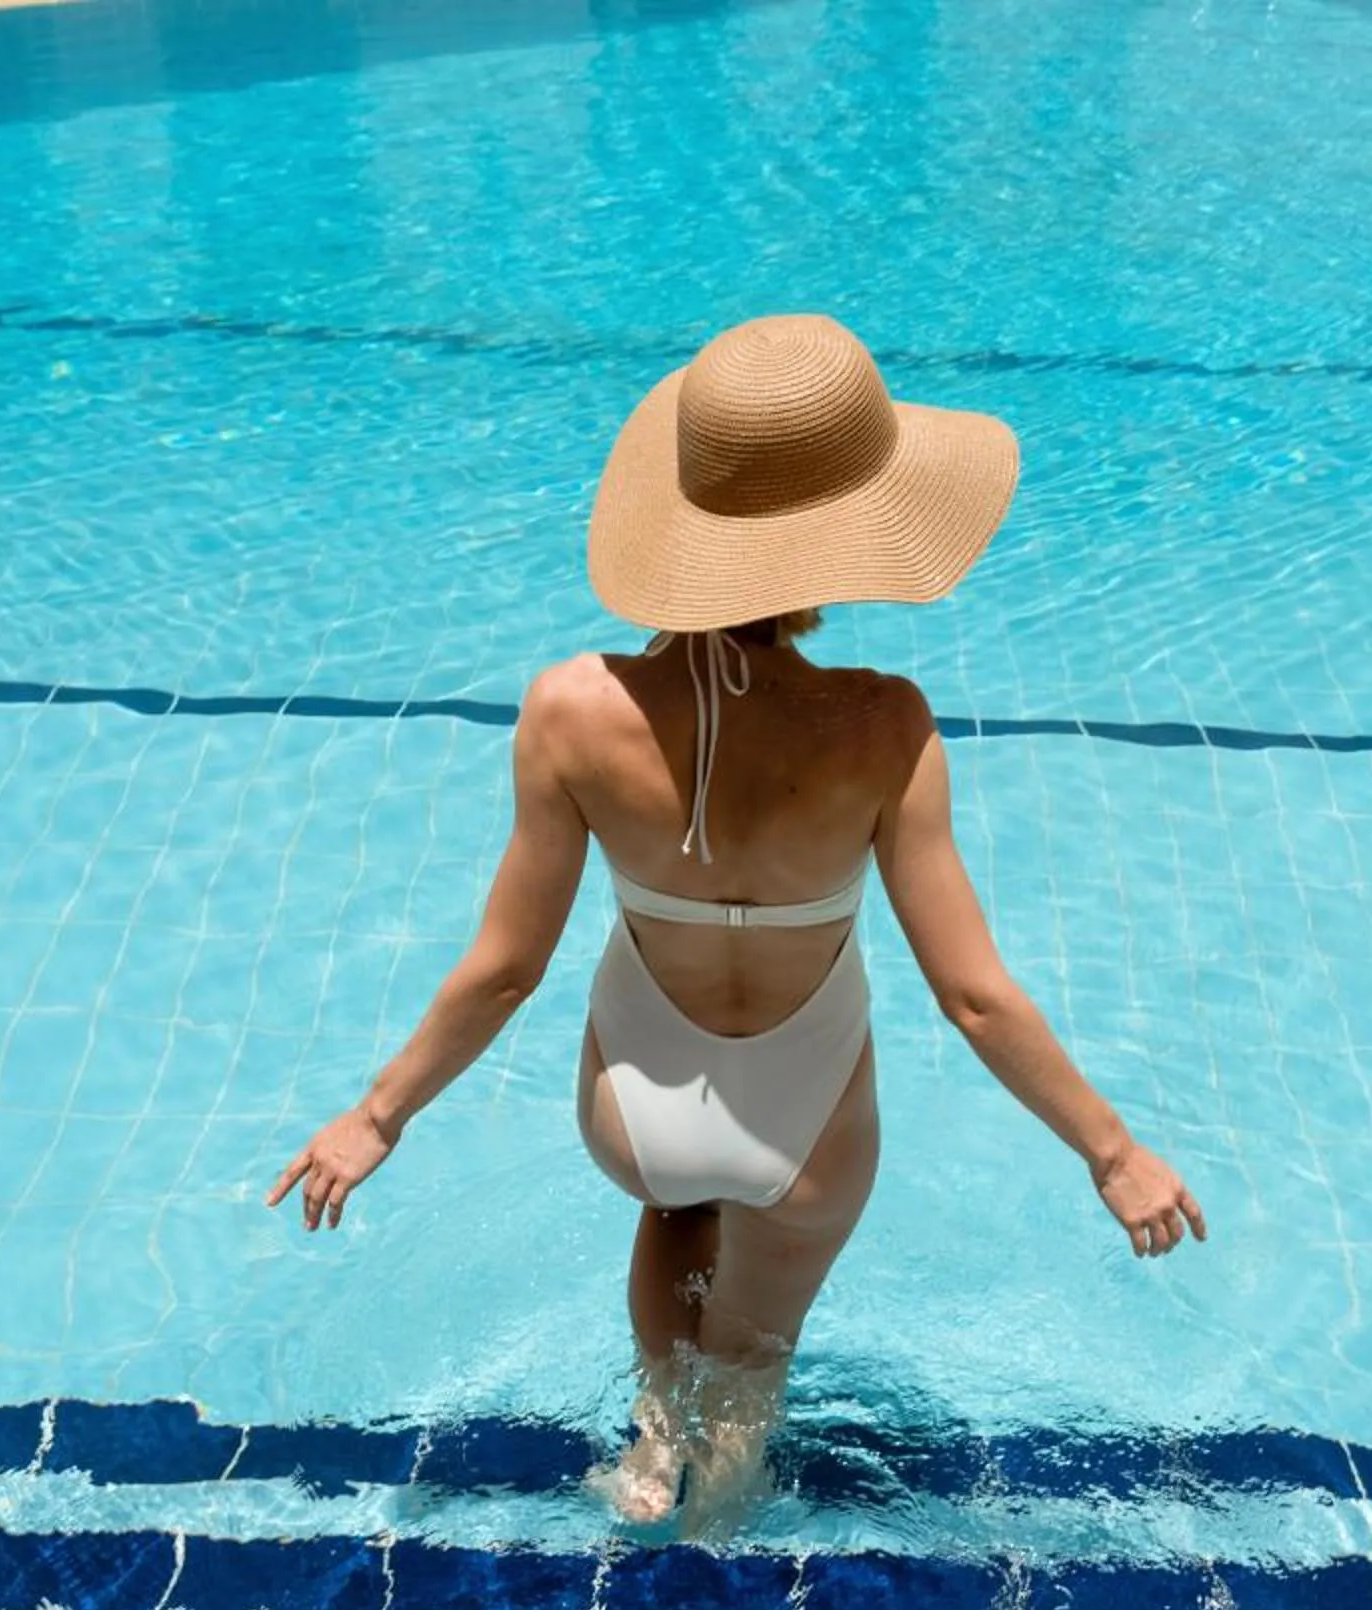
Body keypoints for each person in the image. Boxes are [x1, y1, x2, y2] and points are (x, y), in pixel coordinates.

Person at [268, 313, 1203, 1528]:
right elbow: (974, 992)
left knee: (674, 1212)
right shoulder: (883, 725)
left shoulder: (569, 710)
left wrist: (375, 1114)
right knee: (754, 1340)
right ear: (840, 544)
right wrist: (1112, 1152)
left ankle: (653, 1450)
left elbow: (505, 970)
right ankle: (721, 1506)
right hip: (805, 1132)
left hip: (635, 1111)